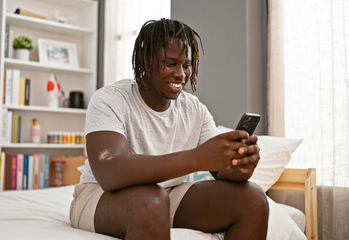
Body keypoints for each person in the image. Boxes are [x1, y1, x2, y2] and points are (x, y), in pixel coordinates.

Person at [70, 18, 269, 240]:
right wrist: (197, 158)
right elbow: (110, 172)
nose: (181, 74)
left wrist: (241, 165)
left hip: (166, 195)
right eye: (170, 64)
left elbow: (221, 171)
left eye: (186, 65)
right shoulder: (110, 99)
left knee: (253, 198)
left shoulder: (194, 109)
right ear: (146, 61)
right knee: (151, 200)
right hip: (101, 195)